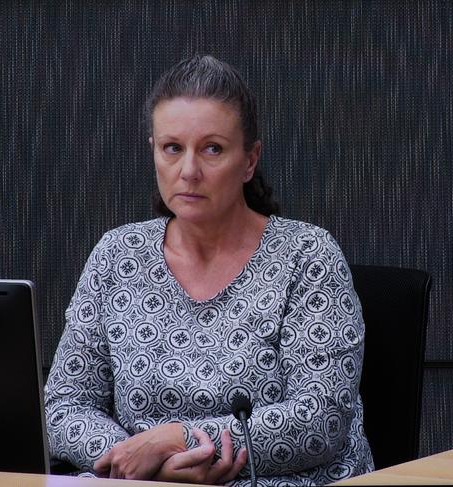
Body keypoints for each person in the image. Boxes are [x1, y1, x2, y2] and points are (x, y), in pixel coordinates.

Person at [44, 54, 374, 485]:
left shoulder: (307, 254)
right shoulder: (117, 254)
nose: (189, 171)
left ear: (250, 160)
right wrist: (144, 462)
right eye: (172, 148)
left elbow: (319, 422)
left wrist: (180, 441)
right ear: (154, 152)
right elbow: (65, 406)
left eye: (212, 148)